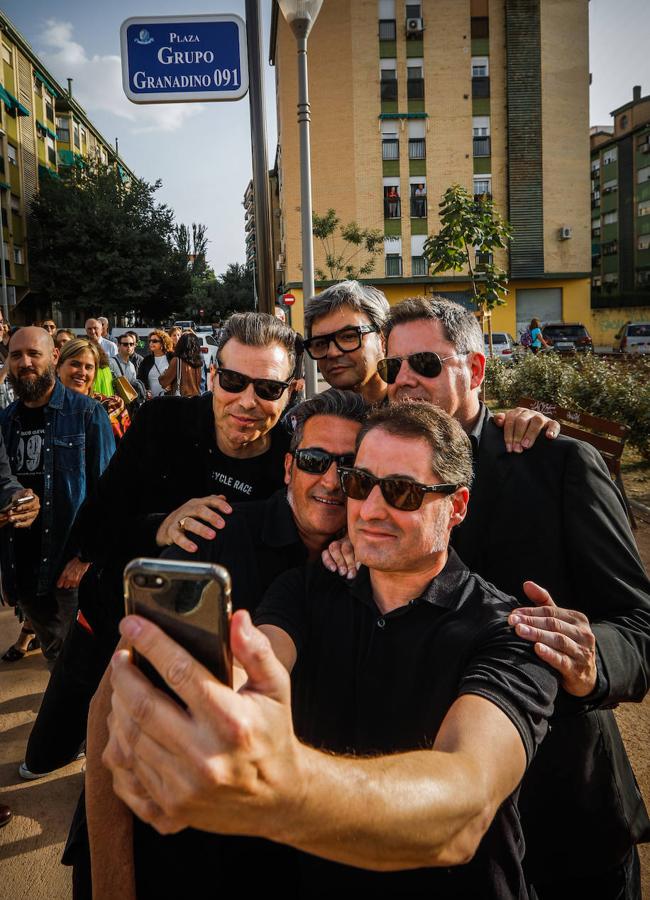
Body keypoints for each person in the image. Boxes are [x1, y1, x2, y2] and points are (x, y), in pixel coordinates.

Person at [103, 402, 559, 898]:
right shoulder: (303, 590)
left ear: (457, 506)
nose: (372, 509)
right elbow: (262, 659)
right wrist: (224, 712)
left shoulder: (512, 631)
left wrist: (280, 786)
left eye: (403, 492)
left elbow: (464, 804)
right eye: (361, 484)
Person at [377, 295, 650, 897]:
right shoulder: (377, 481)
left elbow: (640, 625)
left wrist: (586, 658)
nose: (403, 382)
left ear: (474, 370)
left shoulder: (559, 464)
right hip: (446, 824)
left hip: (564, 811)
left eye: (423, 363)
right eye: (391, 367)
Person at [69, 389, 364, 896]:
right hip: (172, 848)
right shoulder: (214, 539)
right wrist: (113, 884)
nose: (333, 481)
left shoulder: (370, 564)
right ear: (289, 468)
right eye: (316, 461)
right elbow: (109, 708)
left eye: (351, 467)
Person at [0, 327, 115, 667]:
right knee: (55, 658)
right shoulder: (5, 421)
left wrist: (85, 557)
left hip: (70, 570)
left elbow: (107, 494)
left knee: (82, 666)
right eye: (16, 355)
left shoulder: (86, 414)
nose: (25, 363)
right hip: (23, 571)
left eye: (34, 354)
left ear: (52, 357)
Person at [303, 280, 389, 404]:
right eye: (320, 343)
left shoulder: (417, 412)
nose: (332, 353)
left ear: (382, 339)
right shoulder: (303, 419)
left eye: (348, 337)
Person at [158, 331, 203, 397]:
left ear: (181, 344)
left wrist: (164, 373)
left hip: (182, 399)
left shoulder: (177, 360)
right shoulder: (198, 362)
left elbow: (164, 380)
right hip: (196, 399)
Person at [137, 330, 174, 399]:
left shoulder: (172, 358)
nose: (151, 343)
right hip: (152, 401)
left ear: (163, 343)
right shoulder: (146, 360)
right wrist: (145, 391)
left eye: (154, 341)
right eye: (150, 341)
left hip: (170, 398)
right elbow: (140, 380)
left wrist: (172, 385)